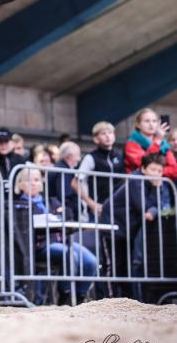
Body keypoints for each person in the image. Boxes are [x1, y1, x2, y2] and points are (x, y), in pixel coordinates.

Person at [13, 167, 97, 305]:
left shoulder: (51, 201)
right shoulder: (19, 205)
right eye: (28, 180)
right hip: (38, 246)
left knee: (91, 261)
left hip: (61, 241)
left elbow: (68, 215)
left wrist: (63, 213)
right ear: (20, 184)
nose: (33, 183)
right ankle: (65, 296)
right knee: (69, 254)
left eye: (36, 180)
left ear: (41, 183)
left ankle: (80, 297)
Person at [100, 153, 166, 298]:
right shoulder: (135, 180)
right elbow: (143, 206)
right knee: (113, 266)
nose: (156, 174)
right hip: (112, 227)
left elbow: (159, 205)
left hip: (127, 231)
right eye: (153, 170)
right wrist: (153, 204)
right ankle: (110, 300)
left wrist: (153, 210)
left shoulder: (152, 184)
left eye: (159, 171)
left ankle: (125, 300)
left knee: (126, 267)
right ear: (143, 168)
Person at [75, 121, 125, 220]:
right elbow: (75, 183)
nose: (107, 136)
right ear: (96, 139)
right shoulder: (90, 158)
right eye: (103, 133)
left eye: (110, 133)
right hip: (99, 208)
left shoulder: (119, 156)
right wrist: (91, 204)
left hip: (118, 207)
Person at [124, 108, 177, 178]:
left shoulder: (164, 144)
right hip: (138, 185)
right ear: (138, 124)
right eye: (147, 121)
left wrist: (157, 172)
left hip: (160, 185)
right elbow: (144, 163)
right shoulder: (131, 144)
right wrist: (157, 142)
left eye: (154, 121)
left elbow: (174, 170)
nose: (151, 124)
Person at [46, 141, 82, 221]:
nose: (79, 159)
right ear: (69, 156)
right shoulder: (63, 172)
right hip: (64, 214)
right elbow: (65, 195)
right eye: (77, 155)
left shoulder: (60, 169)